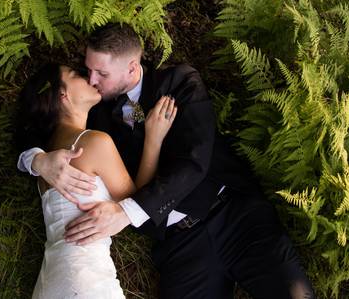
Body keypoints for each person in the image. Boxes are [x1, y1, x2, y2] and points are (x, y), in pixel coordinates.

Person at [18, 23, 314, 298]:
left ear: (131, 67)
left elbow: (194, 162)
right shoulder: (94, 111)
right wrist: (37, 161)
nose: (92, 80)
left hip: (233, 215)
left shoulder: (179, 83)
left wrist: (126, 213)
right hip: (180, 242)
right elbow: (39, 119)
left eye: (101, 74)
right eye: (87, 70)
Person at [16, 63, 178, 299]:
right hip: (83, 279)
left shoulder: (48, 158)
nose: (90, 80)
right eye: (77, 76)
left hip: (58, 276)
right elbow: (139, 202)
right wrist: (153, 139)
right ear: (63, 95)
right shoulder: (92, 143)